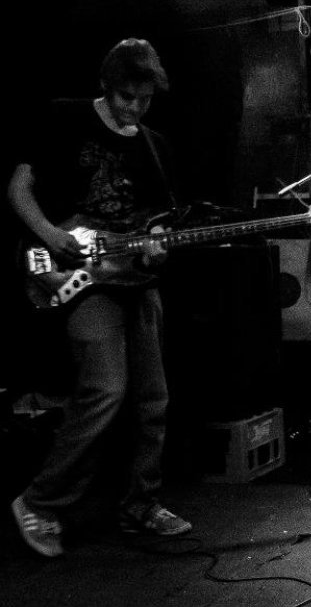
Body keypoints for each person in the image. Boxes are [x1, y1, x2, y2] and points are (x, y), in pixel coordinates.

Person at [8, 38, 192, 558]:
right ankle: (40, 502)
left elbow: (158, 224)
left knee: (153, 400)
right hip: (80, 276)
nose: (135, 108)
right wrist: (49, 234)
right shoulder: (63, 118)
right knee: (106, 390)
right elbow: (18, 189)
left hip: (136, 281)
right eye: (126, 97)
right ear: (106, 87)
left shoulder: (156, 146)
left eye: (145, 99)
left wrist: (158, 248)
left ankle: (140, 504)